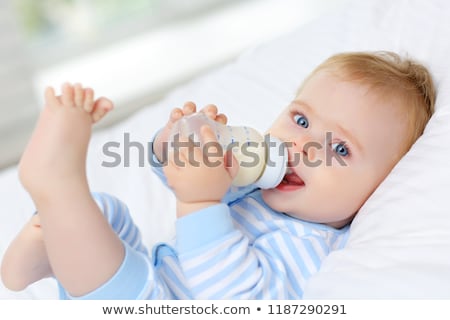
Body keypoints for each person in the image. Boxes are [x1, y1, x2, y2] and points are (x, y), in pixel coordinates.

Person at [1, 51, 435, 299]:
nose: (301, 146)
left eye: (339, 148)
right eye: (301, 121)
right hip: (150, 273)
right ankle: (47, 258)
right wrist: (173, 144)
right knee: (105, 215)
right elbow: (175, 177)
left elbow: (236, 301)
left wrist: (201, 203)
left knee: (113, 267)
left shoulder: (313, 248)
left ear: (380, 189)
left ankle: (58, 186)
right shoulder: (253, 187)